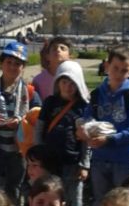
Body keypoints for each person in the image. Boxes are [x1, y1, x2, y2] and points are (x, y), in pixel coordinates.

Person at [77, 46, 129, 205]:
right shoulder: (96, 95)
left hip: (124, 160)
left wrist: (109, 140)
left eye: (124, 70)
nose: (119, 74)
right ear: (107, 66)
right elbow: (87, 119)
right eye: (115, 68)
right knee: (101, 201)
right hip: (99, 158)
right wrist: (84, 130)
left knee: (125, 201)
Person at [0, 41, 41, 204]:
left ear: (23, 67)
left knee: (14, 188)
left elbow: (38, 115)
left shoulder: (29, 91)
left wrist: (22, 121)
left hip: (18, 150)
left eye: (18, 64)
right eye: (9, 62)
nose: (12, 67)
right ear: (1, 63)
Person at [34, 60, 90, 206]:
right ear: (58, 82)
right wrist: (38, 156)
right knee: (50, 198)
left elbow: (86, 139)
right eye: (64, 82)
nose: (68, 87)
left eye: (72, 83)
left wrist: (84, 165)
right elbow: (39, 129)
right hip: (50, 162)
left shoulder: (83, 107)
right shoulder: (50, 103)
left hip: (72, 164)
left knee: (73, 199)